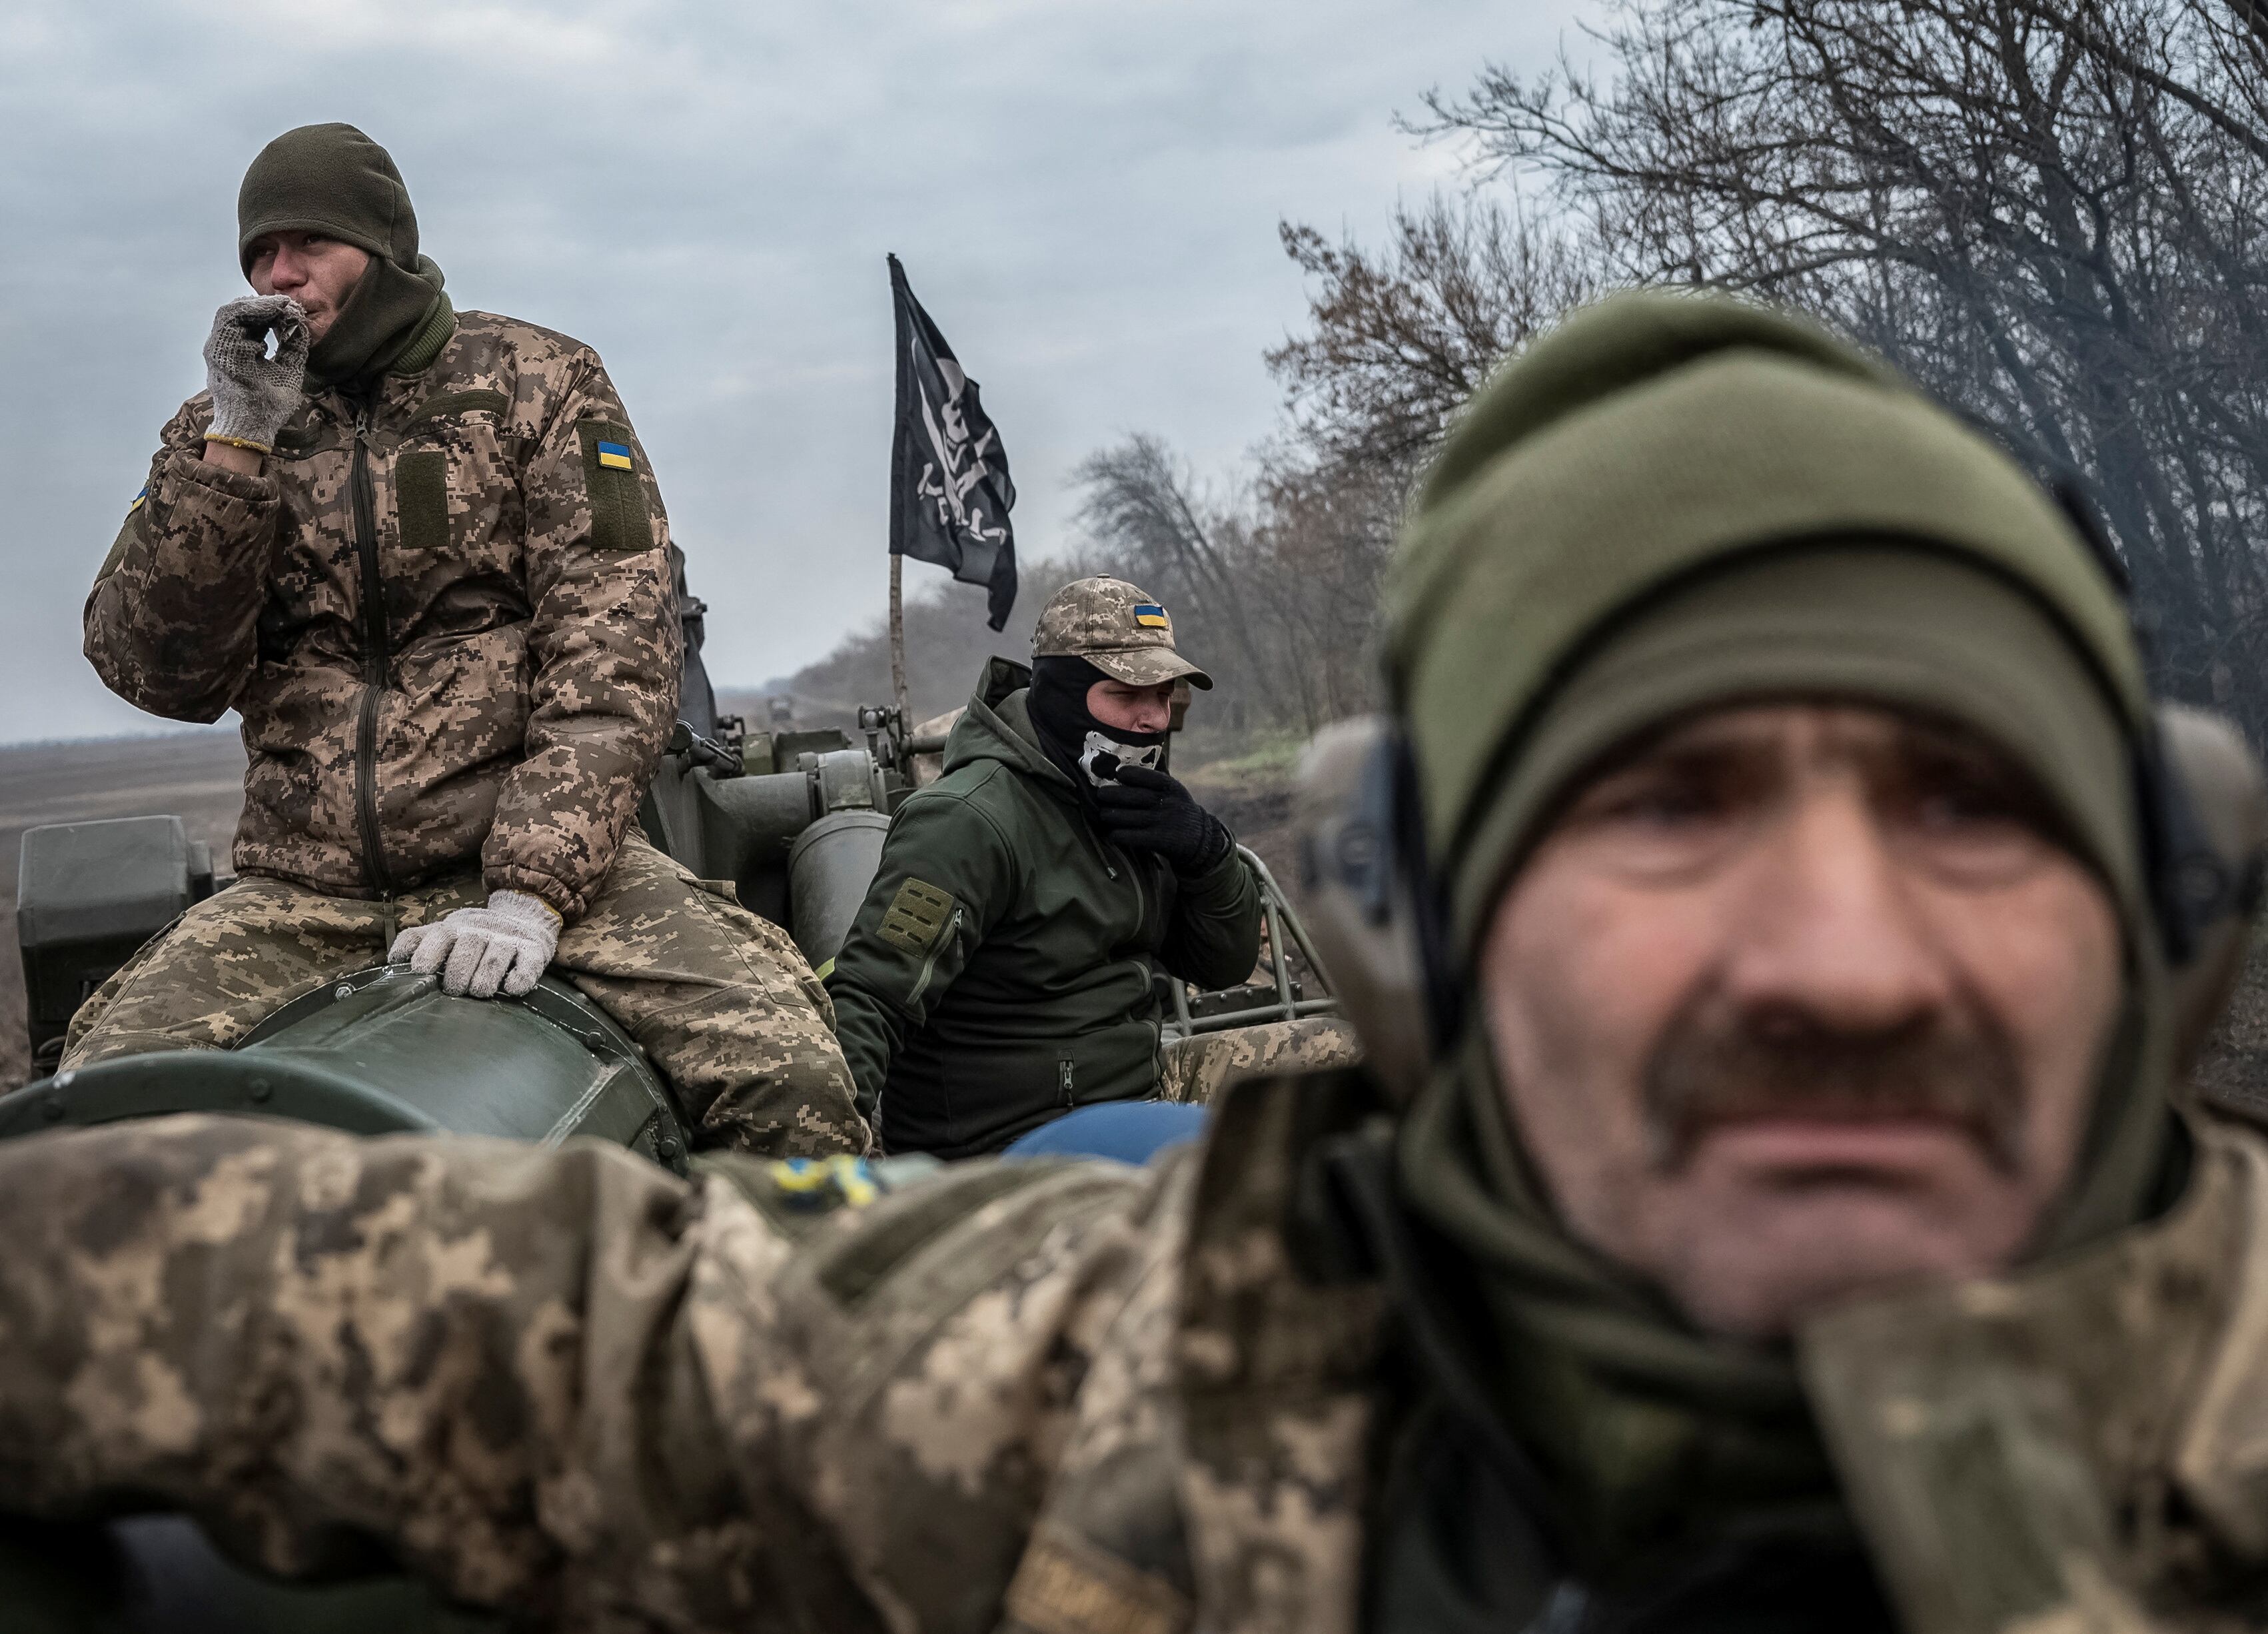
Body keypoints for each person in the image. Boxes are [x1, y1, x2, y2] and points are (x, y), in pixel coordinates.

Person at [3, 293, 2267, 1629]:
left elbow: (1240, 948)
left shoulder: (1161, 829)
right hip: (1023, 1149)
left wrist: (1205, 917)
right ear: (1438, 913)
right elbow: (600, 1297)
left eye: (1976, 804)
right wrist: (852, 1181)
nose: (1840, 960)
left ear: (2160, 894)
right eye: (1660, 809)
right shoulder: (1129, 1367)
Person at [59, 123, 865, 1158]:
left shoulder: (539, 381)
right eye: (259, 252)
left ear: (383, 244)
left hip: (544, 872)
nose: (279, 273)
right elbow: (154, 670)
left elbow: (613, 647)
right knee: (89, 1114)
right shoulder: (219, 430)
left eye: (308, 242)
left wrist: (529, 889)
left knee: (789, 1078)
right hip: (303, 889)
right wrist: (236, 449)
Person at [826, 576, 1266, 1155]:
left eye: (1163, 696)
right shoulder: (967, 821)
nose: (1153, 719)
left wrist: (1208, 855)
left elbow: (1223, 964)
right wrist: (828, 1170)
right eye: (1126, 695)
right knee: (1256, 1159)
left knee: (1334, 1070)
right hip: (1015, 1139)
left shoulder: (1131, 801)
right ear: (1061, 693)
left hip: (1133, 1091)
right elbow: (870, 997)